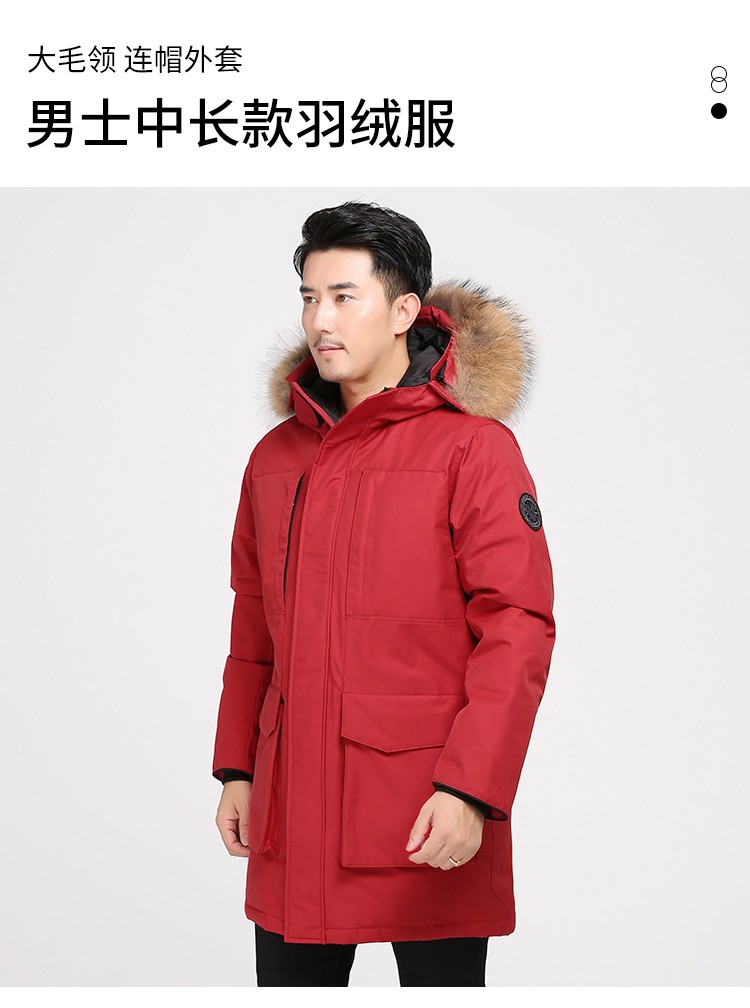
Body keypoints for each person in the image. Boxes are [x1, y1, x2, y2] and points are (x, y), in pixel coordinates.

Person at [212, 201, 556, 986]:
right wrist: (238, 767)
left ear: (404, 312)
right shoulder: (276, 457)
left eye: (344, 296)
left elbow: (518, 627)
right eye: (309, 297)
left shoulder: (473, 449)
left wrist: (470, 789)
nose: (320, 320)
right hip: (293, 806)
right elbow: (253, 625)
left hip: (423, 809)